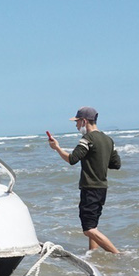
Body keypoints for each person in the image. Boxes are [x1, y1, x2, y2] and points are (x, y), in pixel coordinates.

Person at [47, 106, 122, 254]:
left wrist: (57, 148)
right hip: (102, 188)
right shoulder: (108, 140)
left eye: (77, 122)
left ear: (84, 121)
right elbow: (116, 164)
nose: (76, 125)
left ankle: (118, 255)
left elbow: (72, 159)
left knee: (88, 230)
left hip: (90, 188)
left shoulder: (87, 139)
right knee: (93, 225)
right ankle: (92, 254)